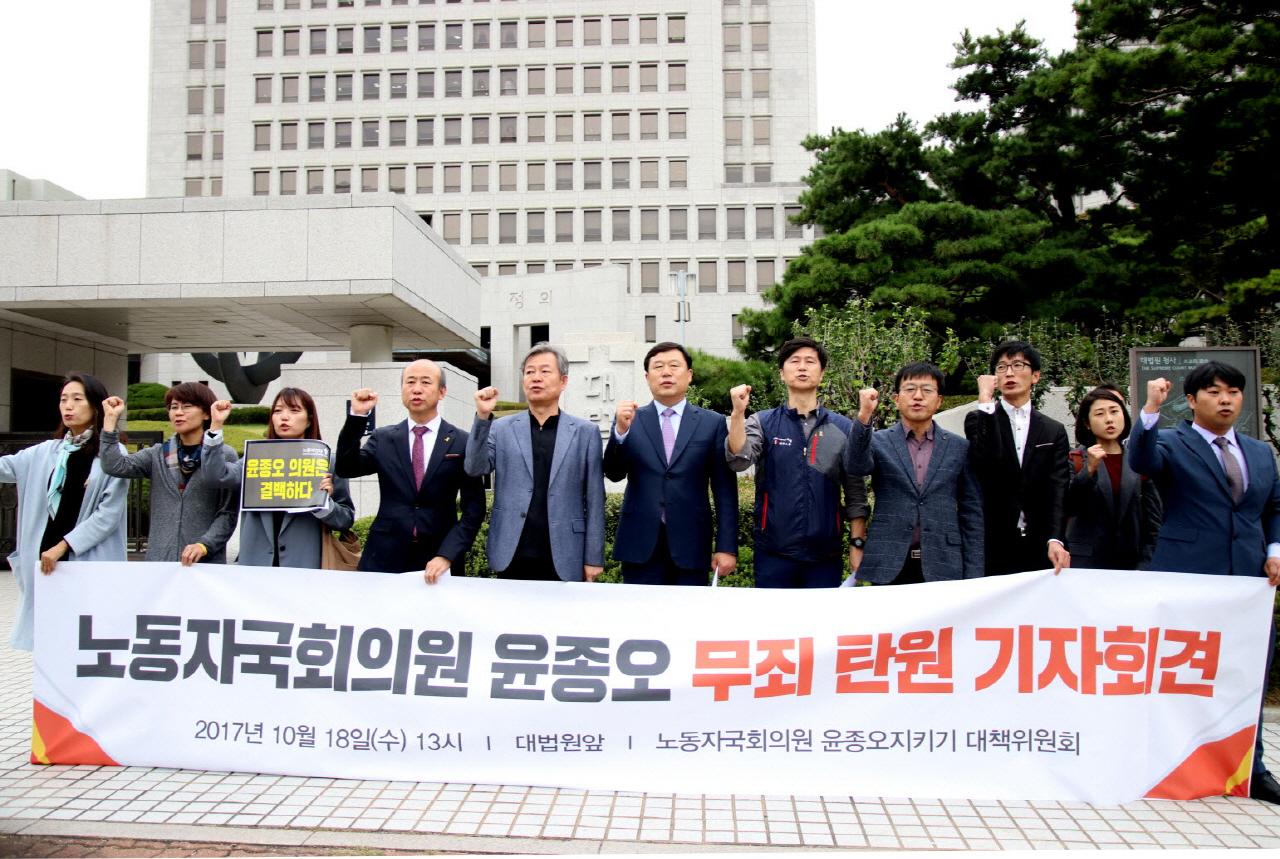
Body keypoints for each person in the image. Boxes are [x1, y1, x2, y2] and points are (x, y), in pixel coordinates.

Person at [1129, 362, 1280, 804]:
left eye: (1233, 391)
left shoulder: (1258, 452)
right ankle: (1164, 764)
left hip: (1248, 582)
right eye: (1214, 392)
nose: (1226, 399)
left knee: (1247, 673)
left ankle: (1253, 769)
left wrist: (1274, 552)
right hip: (1186, 578)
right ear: (1192, 401)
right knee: (1179, 674)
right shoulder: (1173, 443)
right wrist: (1151, 410)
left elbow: (1274, 507)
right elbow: (1141, 459)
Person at [725, 336, 869, 588]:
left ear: (822, 373)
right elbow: (739, 459)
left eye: (810, 362)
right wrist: (738, 414)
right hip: (772, 552)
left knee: (821, 626)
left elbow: (856, 494)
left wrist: (857, 544)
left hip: (825, 555)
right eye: (795, 361)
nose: (802, 367)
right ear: (782, 373)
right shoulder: (763, 422)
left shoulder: (843, 427)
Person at [0, 374, 129, 651]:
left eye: (76, 399)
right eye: (63, 400)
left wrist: (63, 546)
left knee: (86, 644)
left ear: (95, 406)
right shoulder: (47, 452)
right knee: (49, 647)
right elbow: (5, 467)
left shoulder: (112, 454)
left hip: (84, 562)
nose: (67, 406)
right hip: (46, 566)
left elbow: (107, 515)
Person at [466, 343, 606, 582]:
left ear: (563, 381)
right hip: (512, 549)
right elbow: (475, 467)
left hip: (565, 552)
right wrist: (482, 417)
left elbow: (595, 499)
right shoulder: (501, 427)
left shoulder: (585, 432)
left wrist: (593, 557)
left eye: (544, 371)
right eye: (529, 372)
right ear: (523, 382)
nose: (536, 378)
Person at [335, 359, 485, 582]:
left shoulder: (461, 442)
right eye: (410, 382)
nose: (417, 389)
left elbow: (474, 509)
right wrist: (358, 416)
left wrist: (447, 555)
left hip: (438, 558)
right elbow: (347, 467)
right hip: (384, 556)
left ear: (442, 392)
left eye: (426, 382)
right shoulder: (383, 438)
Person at [604, 342, 737, 585]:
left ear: (689, 375)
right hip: (639, 541)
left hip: (692, 542)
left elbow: (725, 490)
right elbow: (613, 473)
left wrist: (727, 547)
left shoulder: (712, 423)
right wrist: (620, 433)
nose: (666, 372)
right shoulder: (630, 419)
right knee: (640, 617)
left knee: (687, 619)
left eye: (674, 366)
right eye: (658, 367)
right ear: (647, 377)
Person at [845, 363, 983, 584]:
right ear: (897, 399)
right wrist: (864, 416)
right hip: (889, 563)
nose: (918, 396)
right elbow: (855, 466)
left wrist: (975, 573)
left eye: (927, 390)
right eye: (910, 389)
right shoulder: (879, 442)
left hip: (943, 564)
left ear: (939, 400)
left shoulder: (959, 447)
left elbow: (971, 512)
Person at [100, 382, 240, 564]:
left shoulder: (224, 455)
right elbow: (114, 466)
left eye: (187, 406)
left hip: (204, 564)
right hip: (159, 563)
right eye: (174, 407)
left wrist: (204, 545)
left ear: (206, 413)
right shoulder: (158, 454)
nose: (178, 412)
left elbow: (227, 513)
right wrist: (110, 422)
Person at [964, 341, 1071, 575]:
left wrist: (1056, 538)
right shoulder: (979, 419)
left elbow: (1058, 489)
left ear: (1036, 376)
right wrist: (985, 399)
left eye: (1018, 365)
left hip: (1041, 543)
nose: (1009, 372)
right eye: (1001, 367)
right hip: (993, 541)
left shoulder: (1053, 430)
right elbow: (988, 458)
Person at [237, 387, 356, 568]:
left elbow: (345, 520)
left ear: (309, 421)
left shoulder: (328, 462)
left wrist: (323, 502)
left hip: (304, 567)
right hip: (256, 566)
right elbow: (219, 476)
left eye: (294, 410)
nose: (284, 417)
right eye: (278, 411)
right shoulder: (253, 459)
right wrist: (215, 429)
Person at [1064, 386, 1161, 570]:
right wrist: (1089, 471)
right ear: (1086, 423)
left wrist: (1146, 564)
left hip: (1132, 565)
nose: (1109, 419)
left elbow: (1153, 523)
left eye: (1115, 411)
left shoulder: (1139, 462)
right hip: (1086, 565)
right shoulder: (1074, 460)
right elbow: (1068, 507)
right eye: (1099, 414)